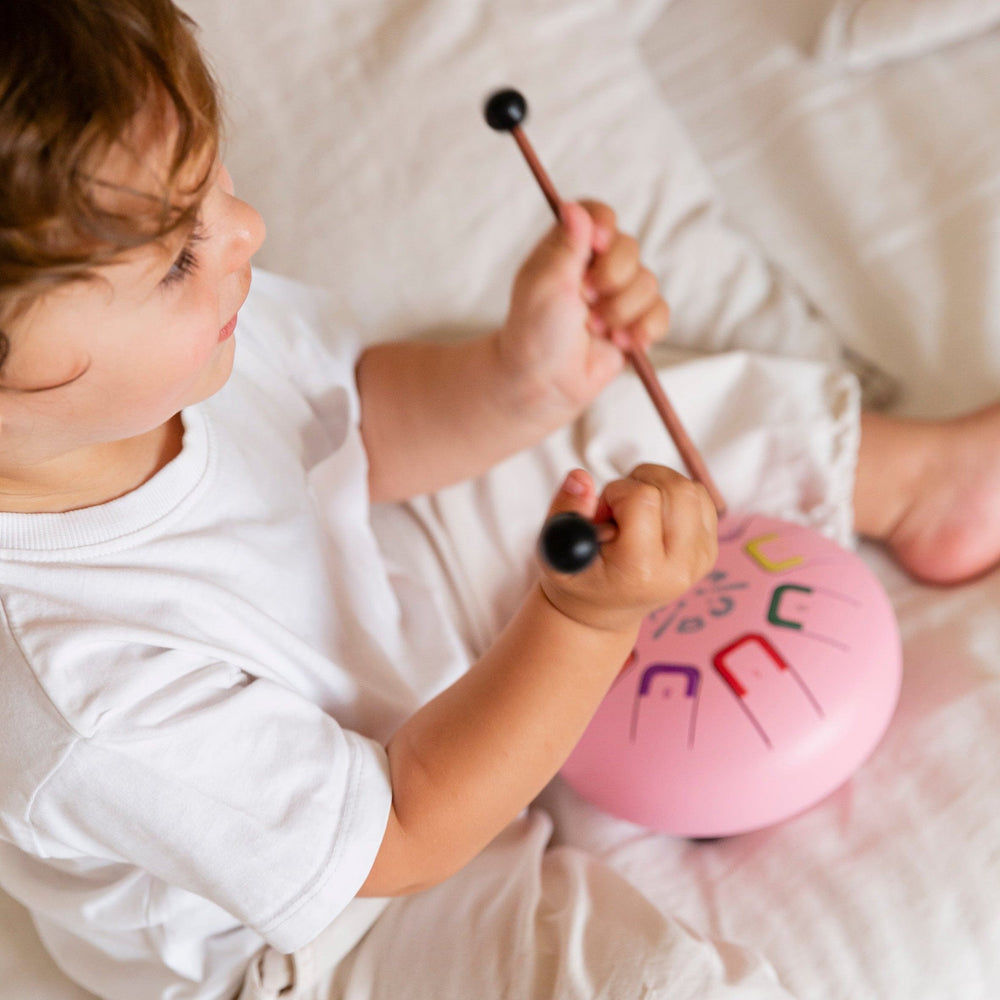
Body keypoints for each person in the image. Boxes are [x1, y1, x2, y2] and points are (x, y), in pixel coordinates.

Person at [1, 3, 999, 1000]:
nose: (245, 232)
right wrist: (580, 618)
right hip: (339, 913)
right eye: (177, 254)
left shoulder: (189, 342)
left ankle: (916, 480)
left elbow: (359, 423)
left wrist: (519, 379)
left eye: (215, 181)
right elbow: (403, 831)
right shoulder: (75, 696)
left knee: (599, 429)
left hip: (388, 599)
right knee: (616, 981)